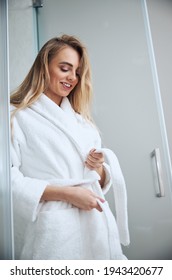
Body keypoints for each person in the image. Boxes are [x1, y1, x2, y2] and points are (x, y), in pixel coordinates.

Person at [10, 34, 130, 260]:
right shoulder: (15, 116)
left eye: (76, 72)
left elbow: (99, 180)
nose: (72, 78)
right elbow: (7, 179)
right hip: (56, 229)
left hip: (97, 224)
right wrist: (68, 194)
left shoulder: (82, 122)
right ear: (44, 67)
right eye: (65, 68)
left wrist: (99, 168)